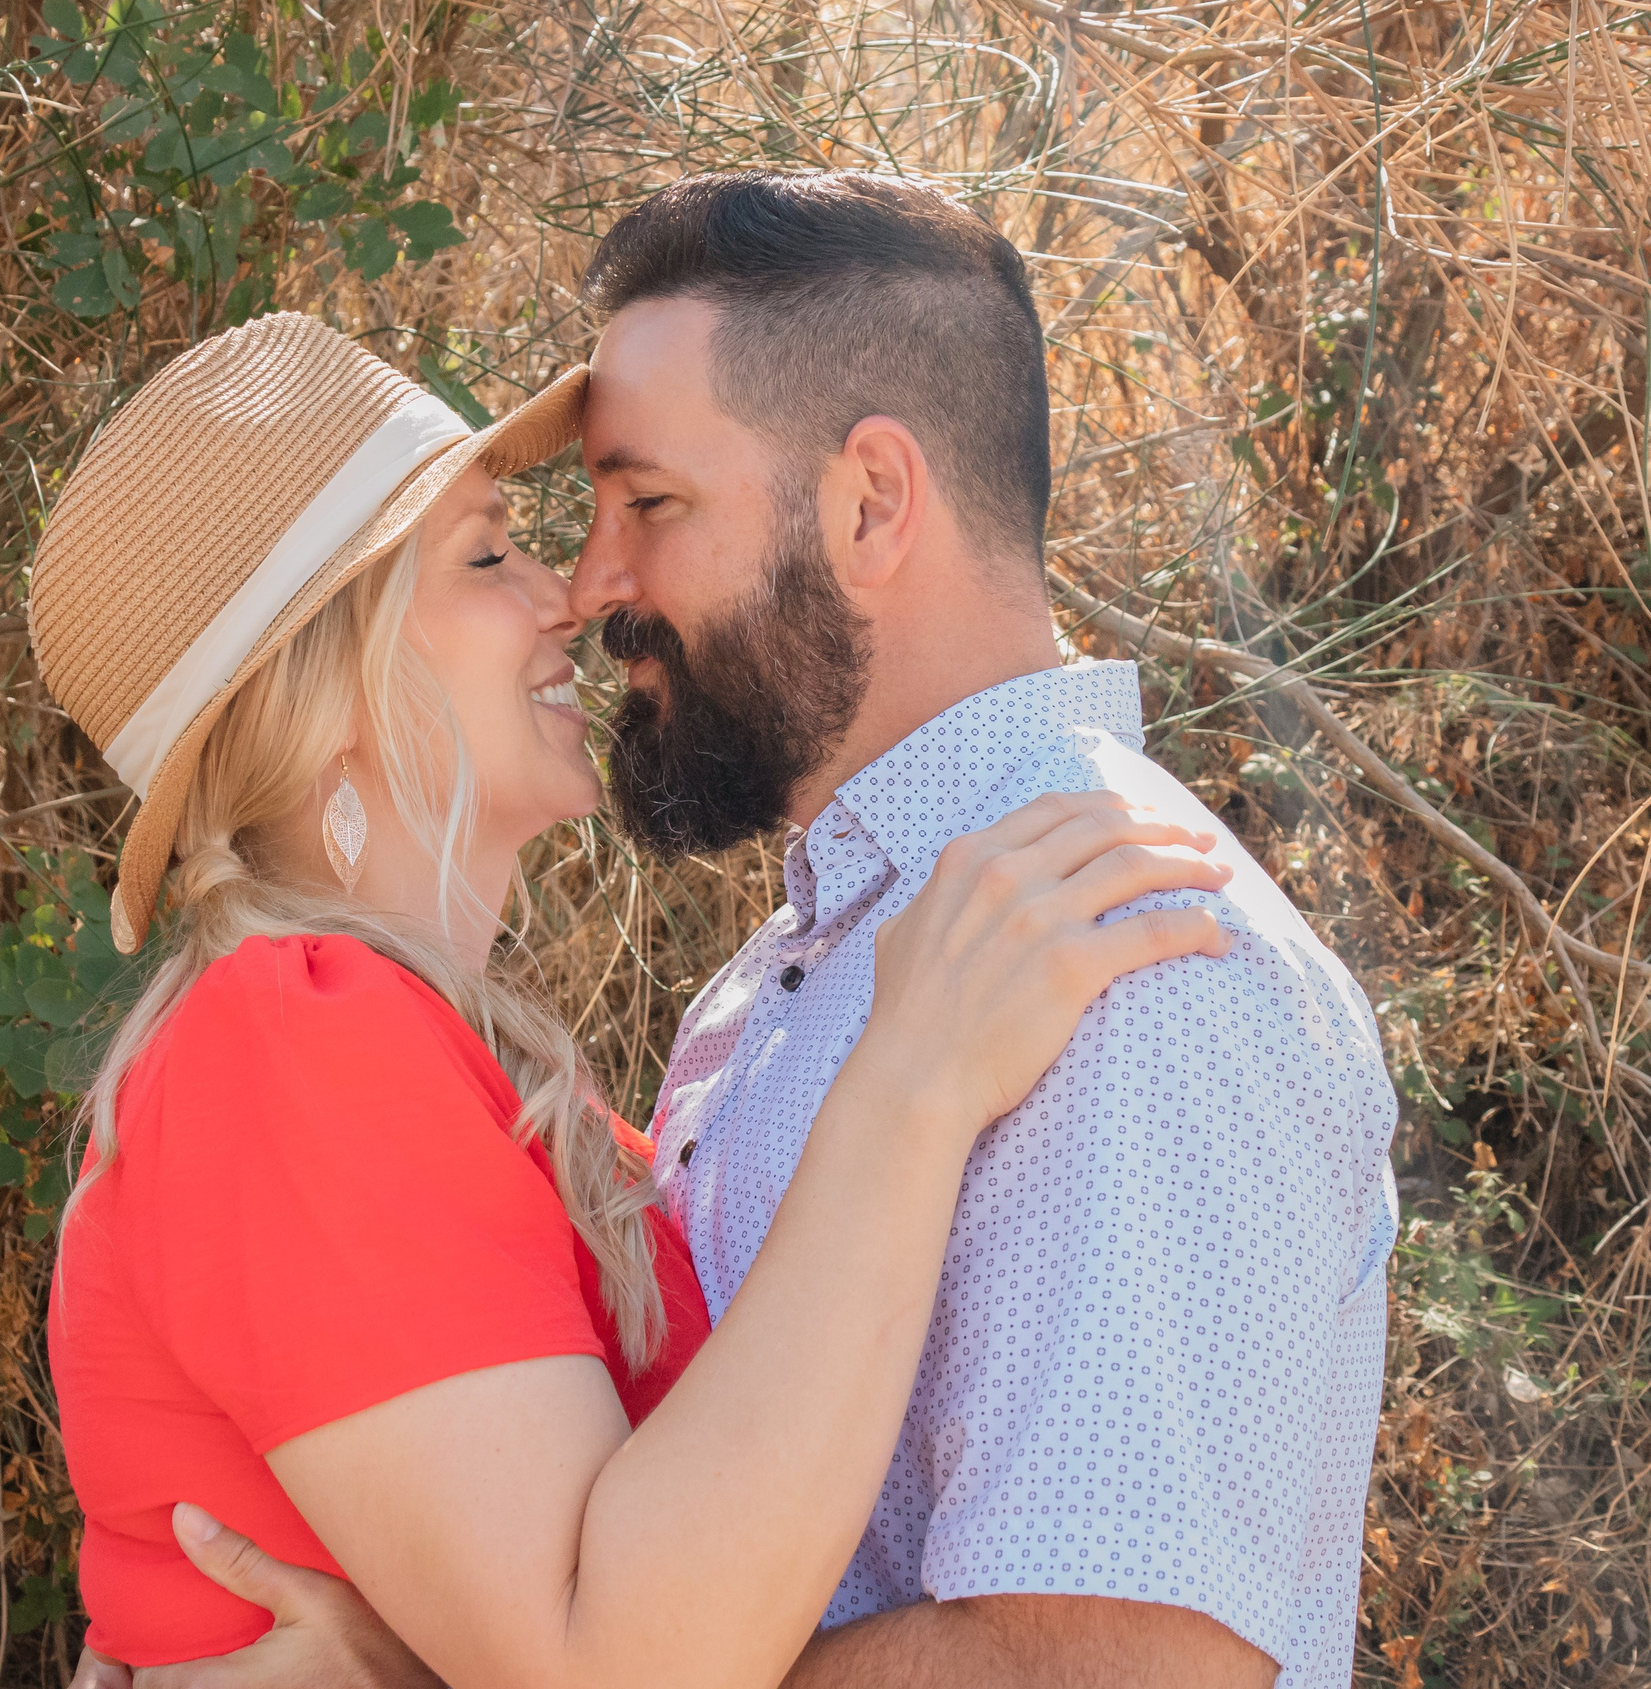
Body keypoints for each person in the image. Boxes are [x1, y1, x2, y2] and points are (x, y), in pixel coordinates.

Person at [67, 173, 1399, 1688]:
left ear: (871, 503)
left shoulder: (1123, 946)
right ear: (331, 696)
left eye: (647, 504)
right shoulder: (788, 997)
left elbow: (1104, 1667)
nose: (583, 588)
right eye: (501, 548)